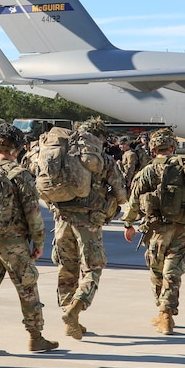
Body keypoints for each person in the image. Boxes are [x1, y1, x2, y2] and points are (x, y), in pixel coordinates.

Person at [122, 128, 185, 334]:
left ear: (152, 149)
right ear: (173, 147)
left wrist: (128, 223)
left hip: (158, 228)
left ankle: (164, 313)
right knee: (173, 270)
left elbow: (134, 200)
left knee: (158, 270)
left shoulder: (150, 171)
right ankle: (166, 313)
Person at [0, 124, 58, 353]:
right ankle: (35, 336)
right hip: (13, 242)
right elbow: (33, 213)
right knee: (27, 287)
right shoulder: (21, 175)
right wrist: (38, 243)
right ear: (17, 149)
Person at [52, 118, 127, 340]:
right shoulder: (103, 160)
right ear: (100, 138)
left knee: (67, 267)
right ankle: (75, 309)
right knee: (93, 268)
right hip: (88, 222)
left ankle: (70, 316)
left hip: (62, 220)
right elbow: (121, 194)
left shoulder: (63, 157)